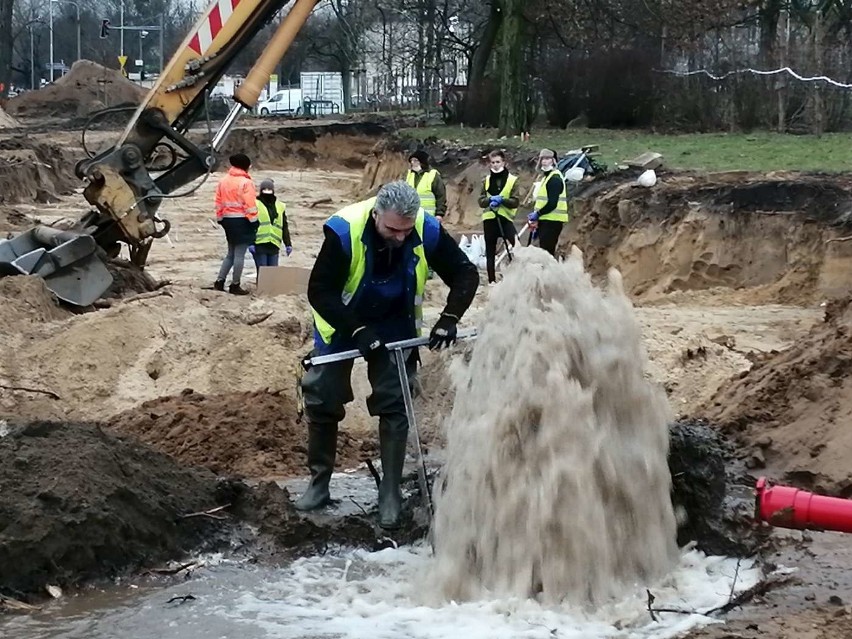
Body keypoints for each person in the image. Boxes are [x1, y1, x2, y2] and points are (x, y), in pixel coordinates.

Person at [295, 180, 479, 529]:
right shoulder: (343, 230)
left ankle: (389, 492)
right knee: (323, 395)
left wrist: (449, 318)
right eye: (392, 229)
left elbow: (465, 272)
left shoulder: (425, 228)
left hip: (396, 321)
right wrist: (358, 331)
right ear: (376, 213)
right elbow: (320, 291)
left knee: (395, 401)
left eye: (405, 231)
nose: (399, 237)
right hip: (344, 320)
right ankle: (319, 483)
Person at [213, 153, 258, 295]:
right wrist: (254, 221)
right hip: (242, 220)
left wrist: (220, 218)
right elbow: (250, 204)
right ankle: (235, 284)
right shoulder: (246, 183)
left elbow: (218, 201)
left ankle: (220, 281)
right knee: (239, 254)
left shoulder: (223, 181)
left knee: (230, 253)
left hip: (227, 220)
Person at [477, 150, 521, 284]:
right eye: (493, 162)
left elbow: (515, 201)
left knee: (517, 245)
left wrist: (502, 200)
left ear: (504, 162)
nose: (495, 165)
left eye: (498, 162)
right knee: (490, 251)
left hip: (505, 218)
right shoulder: (486, 180)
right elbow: (481, 200)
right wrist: (490, 201)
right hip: (490, 218)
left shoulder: (512, 180)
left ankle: (520, 276)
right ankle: (492, 281)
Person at [527, 148, 569, 257]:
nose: (544, 161)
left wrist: (538, 214)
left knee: (547, 254)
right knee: (544, 252)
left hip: (552, 221)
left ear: (553, 161)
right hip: (545, 220)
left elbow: (552, 203)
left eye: (547, 158)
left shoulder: (554, 179)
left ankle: (551, 273)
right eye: (542, 159)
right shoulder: (547, 178)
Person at [251, 178, 292, 269]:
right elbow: (249, 224)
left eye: (269, 190)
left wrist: (288, 244)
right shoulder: (255, 204)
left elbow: (284, 226)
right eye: (265, 190)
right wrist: (250, 242)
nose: (267, 193)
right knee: (263, 273)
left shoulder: (280, 206)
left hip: (274, 245)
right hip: (259, 244)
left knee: (272, 274)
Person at [405, 150, 447, 222]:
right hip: (411, 217)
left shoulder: (433, 175)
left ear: (422, 162)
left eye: (415, 160)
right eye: (411, 161)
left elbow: (441, 196)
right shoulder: (409, 175)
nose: (412, 163)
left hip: (428, 217)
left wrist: (439, 214)